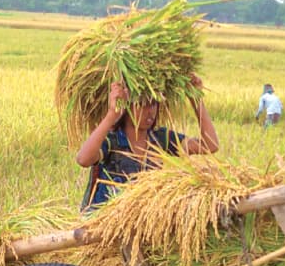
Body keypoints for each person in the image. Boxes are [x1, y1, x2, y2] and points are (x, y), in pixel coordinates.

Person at [76, 74, 219, 212]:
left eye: (153, 104)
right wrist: (112, 114)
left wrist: (196, 99)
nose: (150, 111)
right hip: (103, 223)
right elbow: (83, 159)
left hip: (139, 223)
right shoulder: (112, 140)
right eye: (142, 105)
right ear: (127, 107)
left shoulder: (160, 139)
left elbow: (210, 145)